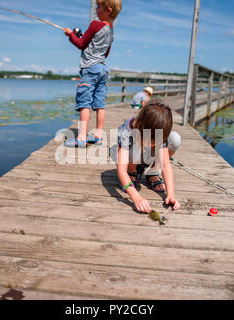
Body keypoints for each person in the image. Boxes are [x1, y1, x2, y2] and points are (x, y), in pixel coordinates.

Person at [63, 0, 122, 148]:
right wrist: (81, 36)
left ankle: (81, 138)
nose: (96, 10)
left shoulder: (95, 25)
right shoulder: (111, 31)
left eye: (98, 7)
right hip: (102, 69)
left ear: (108, 10)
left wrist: (71, 35)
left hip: (90, 69)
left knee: (85, 102)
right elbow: (105, 52)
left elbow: (81, 44)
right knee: (100, 104)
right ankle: (98, 136)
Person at [117, 99, 181, 213]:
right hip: (129, 155)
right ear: (141, 126)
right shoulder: (127, 131)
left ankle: (152, 172)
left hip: (146, 154)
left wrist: (171, 195)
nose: (156, 143)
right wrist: (136, 198)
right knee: (136, 147)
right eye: (154, 141)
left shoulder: (157, 131)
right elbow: (121, 170)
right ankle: (132, 173)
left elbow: (166, 165)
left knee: (175, 139)